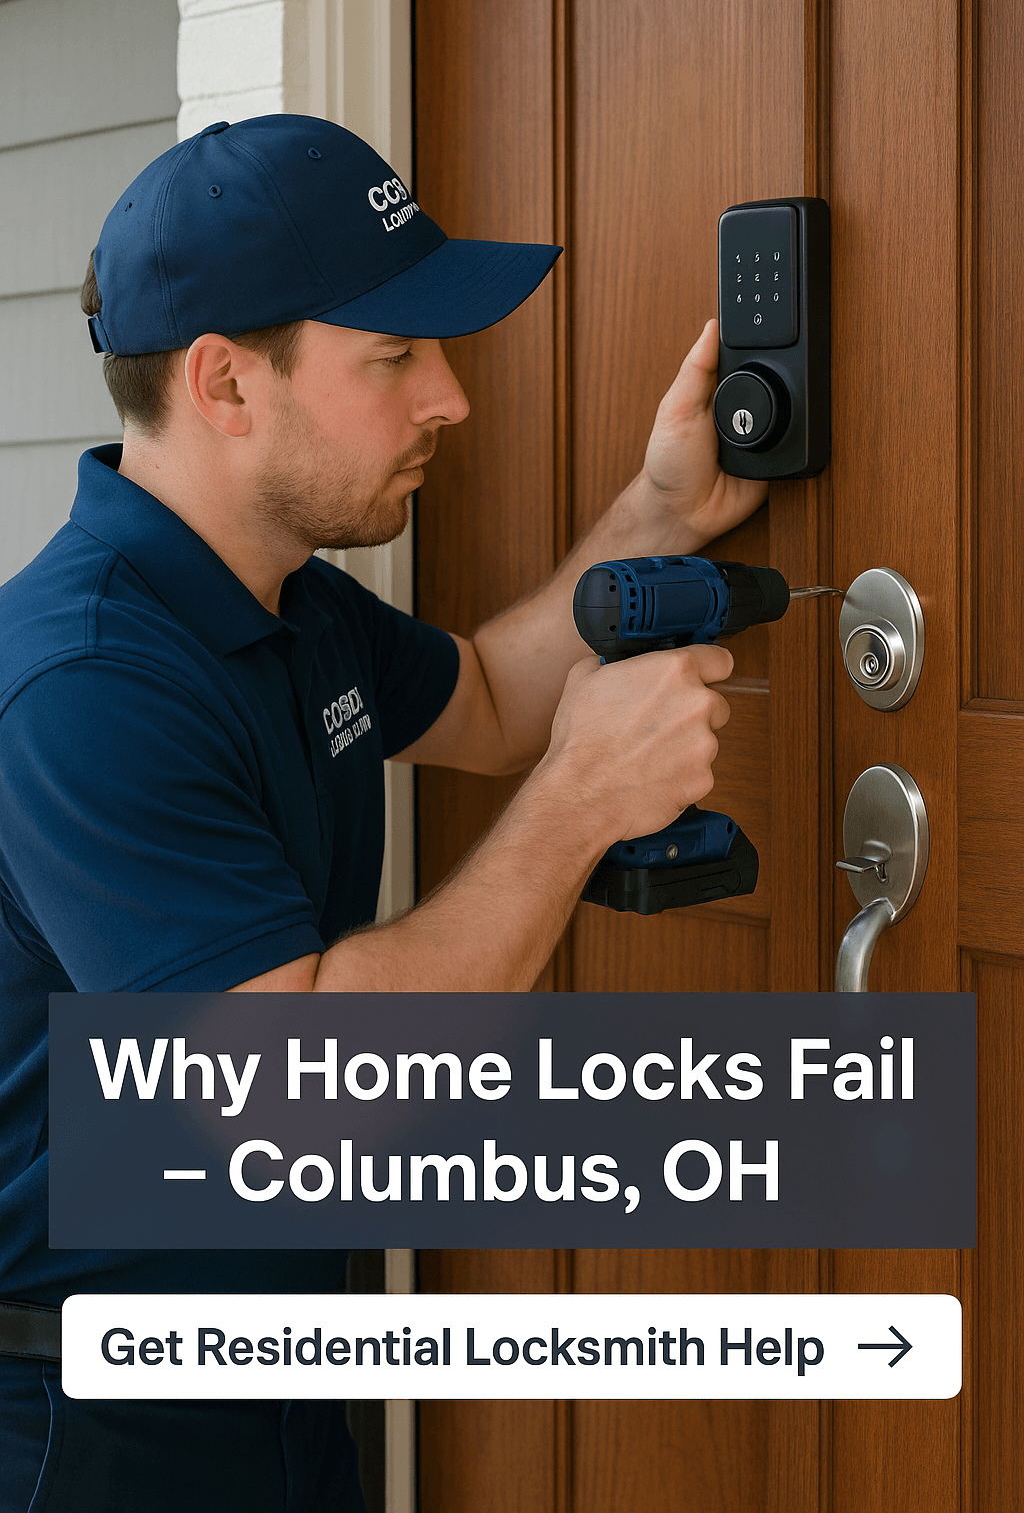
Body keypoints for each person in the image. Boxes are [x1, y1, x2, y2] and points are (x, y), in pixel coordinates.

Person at [0, 115, 766, 1510]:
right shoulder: (87, 684)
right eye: (395, 356)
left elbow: (479, 697)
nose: (452, 399)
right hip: (91, 1428)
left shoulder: (280, 593)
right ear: (226, 382)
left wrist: (660, 512)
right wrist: (581, 798)